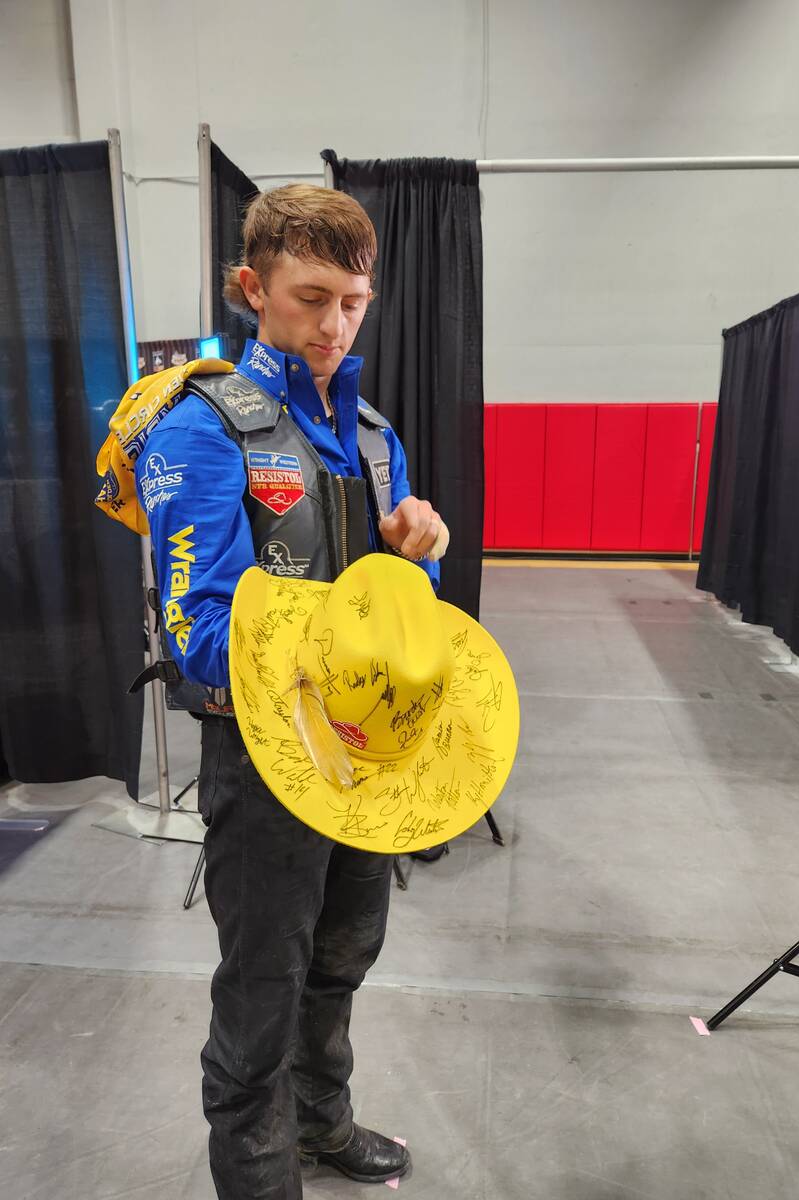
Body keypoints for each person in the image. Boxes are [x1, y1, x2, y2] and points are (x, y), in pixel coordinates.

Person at [135, 184, 447, 1198]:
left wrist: (416, 562)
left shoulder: (371, 432)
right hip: (261, 763)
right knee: (263, 985)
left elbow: (401, 626)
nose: (334, 323)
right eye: (311, 296)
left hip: (362, 759)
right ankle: (257, 1175)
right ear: (250, 289)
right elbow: (202, 639)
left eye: (354, 301)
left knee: (345, 955)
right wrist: (334, 639)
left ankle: (322, 1124)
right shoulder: (199, 427)